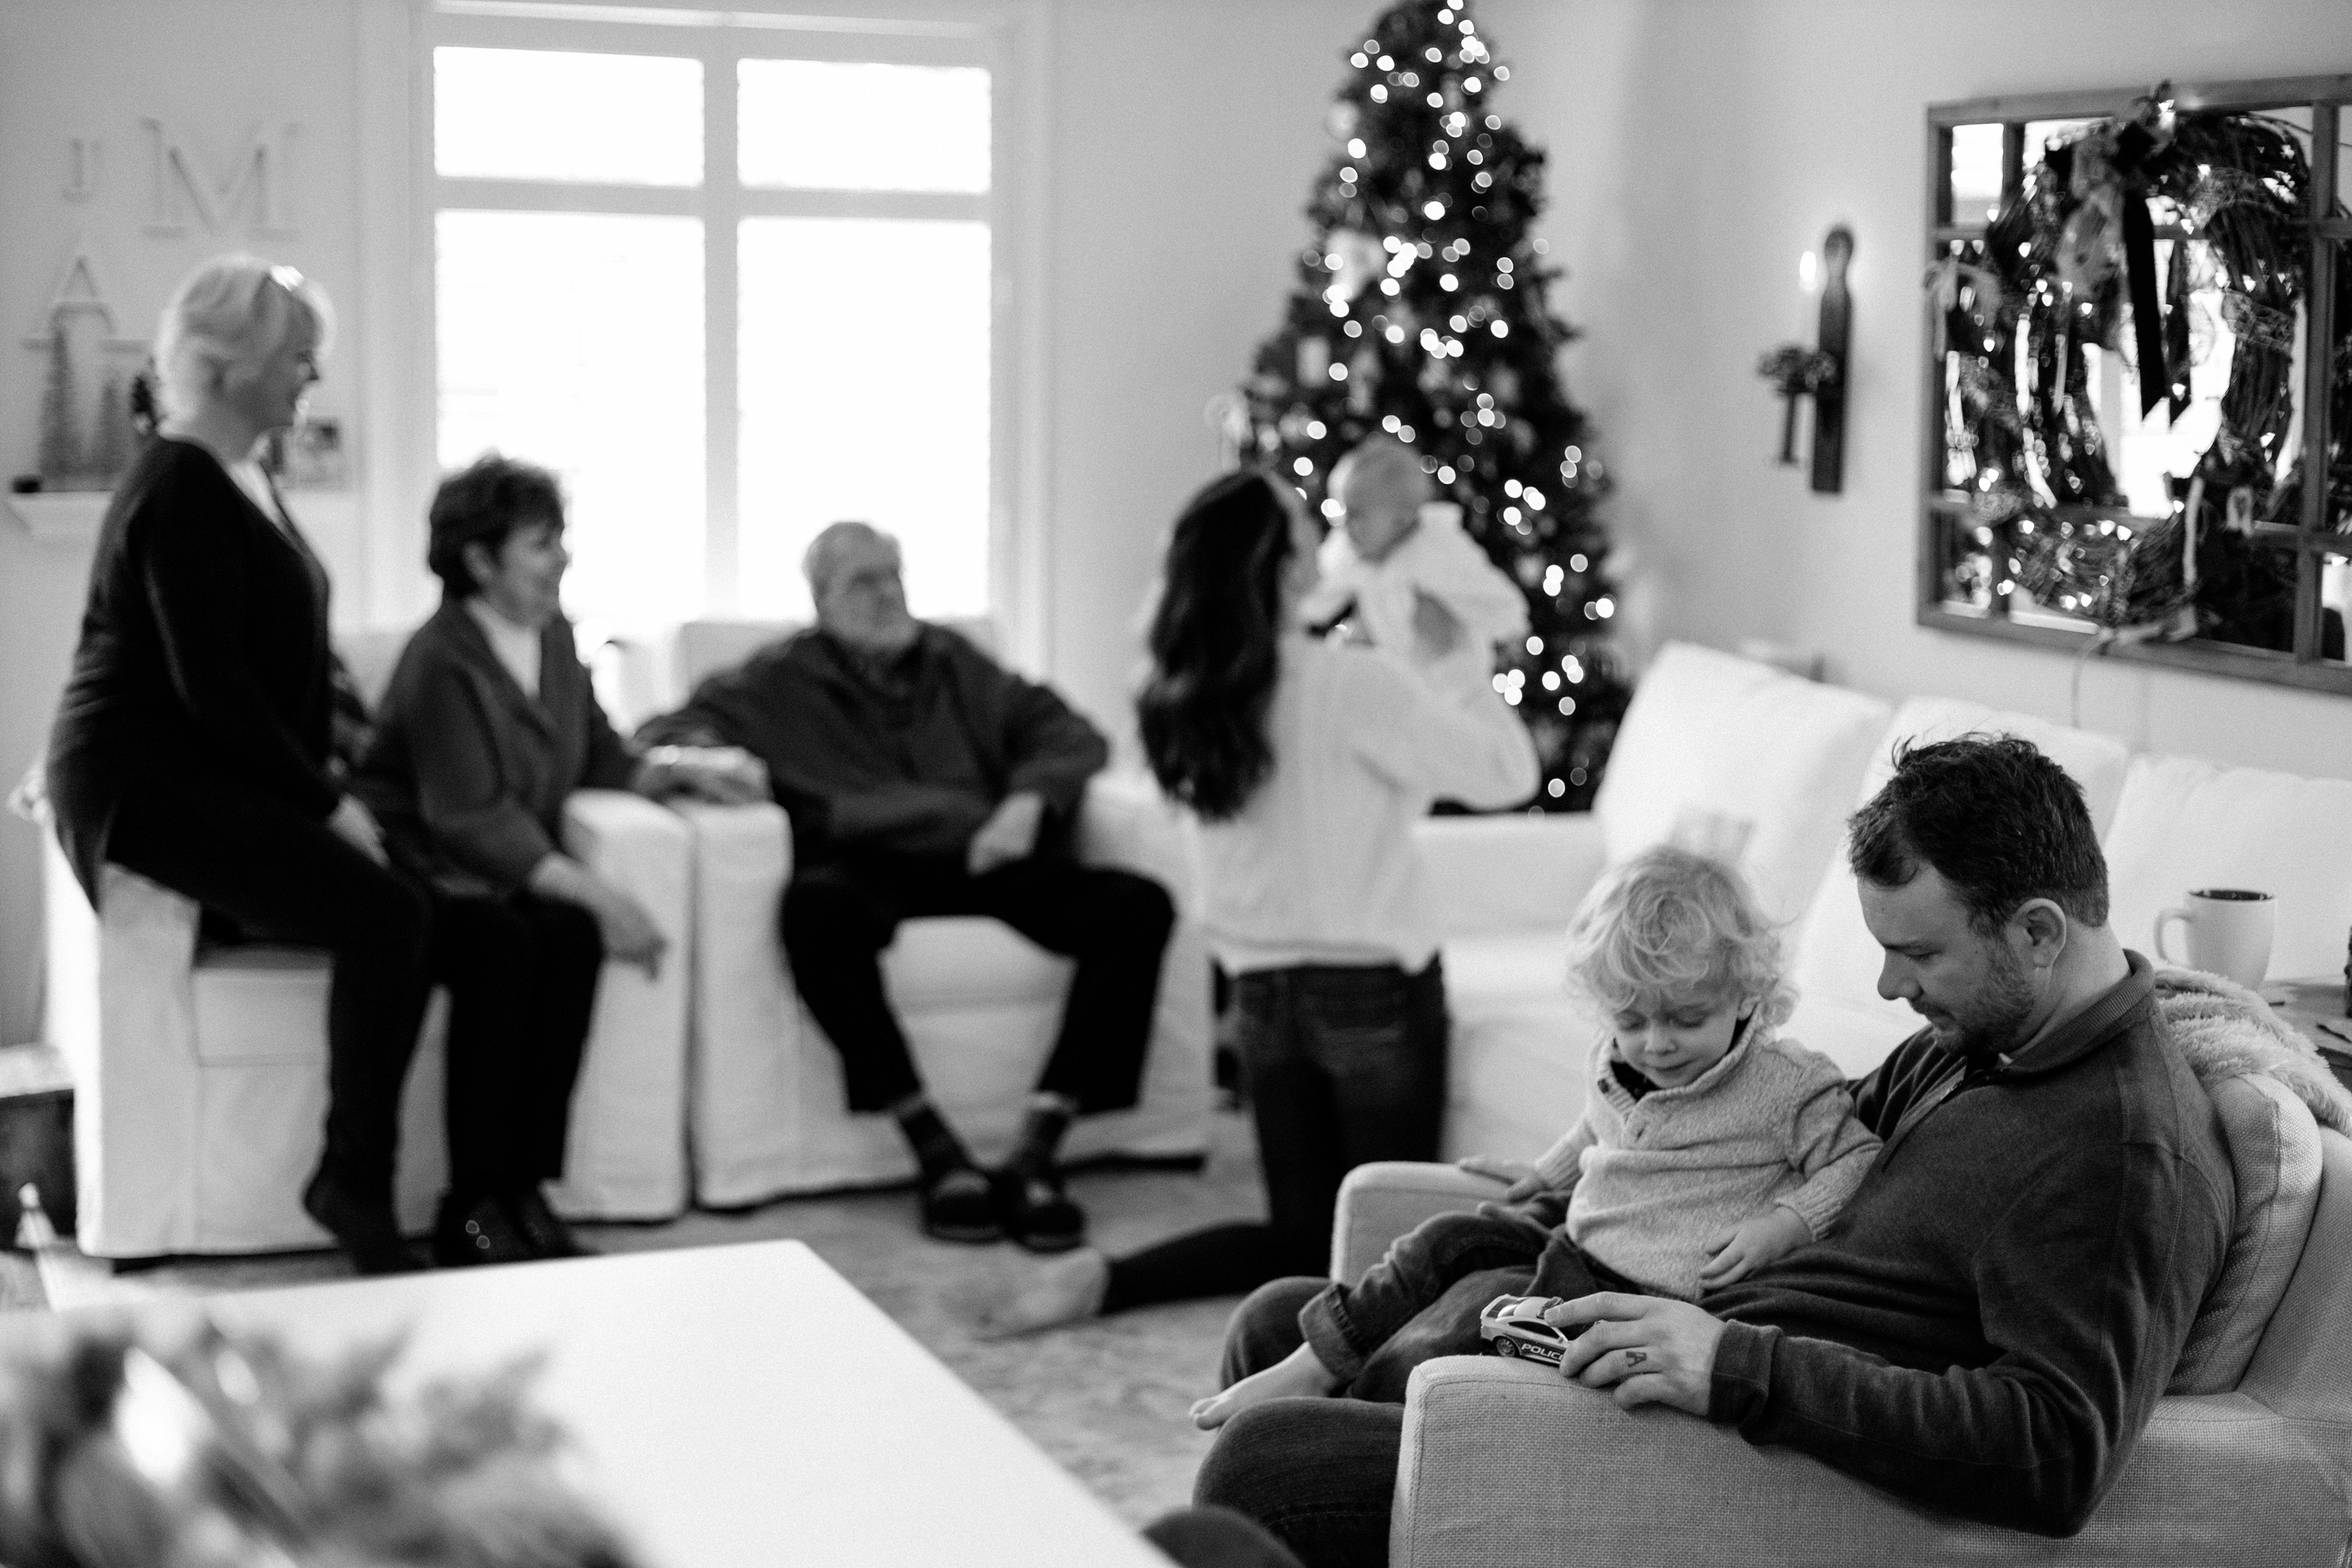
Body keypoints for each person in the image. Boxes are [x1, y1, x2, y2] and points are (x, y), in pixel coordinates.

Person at [1193, 735, 2235, 1566]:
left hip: (1722, 1434)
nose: (1888, 993)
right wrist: (1581, 1190)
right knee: (1273, 1324)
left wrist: (1733, 1363)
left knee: (1266, 1465)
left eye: (1918, 954)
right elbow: (1741, 1136)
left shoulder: (2120, 1155)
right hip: (1656, 1339)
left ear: (2040, 933)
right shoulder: (1983, 1043)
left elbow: (2052, 1452)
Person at [969, 468, 1538, 1337]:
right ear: (1282, 570)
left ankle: (1109, 1277)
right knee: (1400, 1243)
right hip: (1373, 997)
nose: (1323, 543)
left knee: (1305, 1239)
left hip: (1264, 993)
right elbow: (1507, 776)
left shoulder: (1177, 695)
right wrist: (1455, 663)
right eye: (1307, 535)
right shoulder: (1350, 683)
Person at [1190, 845, 1879, 1427]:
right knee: (1447, 1239)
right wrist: (1546, 1174)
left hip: (1639, 1302)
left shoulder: (1786, 1081)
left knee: (1454, 1328)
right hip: (1574, 1248)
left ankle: (1352, 1427)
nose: (1657, 1044)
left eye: (1686, 1019)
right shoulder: (1617, 1059)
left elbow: (1858, 1156)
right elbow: (1594, 1126)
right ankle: (1314, 1364)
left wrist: (1787, 1222)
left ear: (1748, 995)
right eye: (1632, 1020)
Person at [43, 255, 435, 1274]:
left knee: (418, 905)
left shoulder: (244, 474)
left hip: (208, 770)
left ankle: (412, 1187)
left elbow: (277, 664)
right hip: (146, 784)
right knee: (389, 915)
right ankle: (352, 1185)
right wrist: (324, 807)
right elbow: (212, 688)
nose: (311, 379)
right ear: (227, 369)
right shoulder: (178, 484)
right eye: (296, 359)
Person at [635, 521, 1176, 1252]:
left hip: (983, 857)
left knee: (1137, 905)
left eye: (894, 575)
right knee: (813, 911)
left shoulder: (955, 661)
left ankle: (1038, 1145)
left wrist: (1027, 802)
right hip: (866, 862)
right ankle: (932, 1144)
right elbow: (662, 732)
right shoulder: (774, 681)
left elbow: (1070, 732)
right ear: (821, 598)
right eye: (864, 580)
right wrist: (712, 767)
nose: (888, 593)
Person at [354, 454, 765, 1267]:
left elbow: (599, 756)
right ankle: (468, 1206)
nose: (562, 558)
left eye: (559, 539)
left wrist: (683, 772)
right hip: (425, 870)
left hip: (503, 871)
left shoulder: (552, 637)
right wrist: (606, 896)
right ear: (480, 560)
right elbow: (467, 817)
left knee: (568, 938)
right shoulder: (440, 658)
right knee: (507, 946)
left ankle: (521, 1190)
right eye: (543, 543)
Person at [1297, 434, 1527, 702]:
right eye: (1343, 512)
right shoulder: (1352, 549)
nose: (1345, 525)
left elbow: (1502, 607)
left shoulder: (1435, 549)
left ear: (1401, 519)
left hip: (1448, 685)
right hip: (1389, 680)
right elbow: (1314, 598)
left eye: (1357, 515)